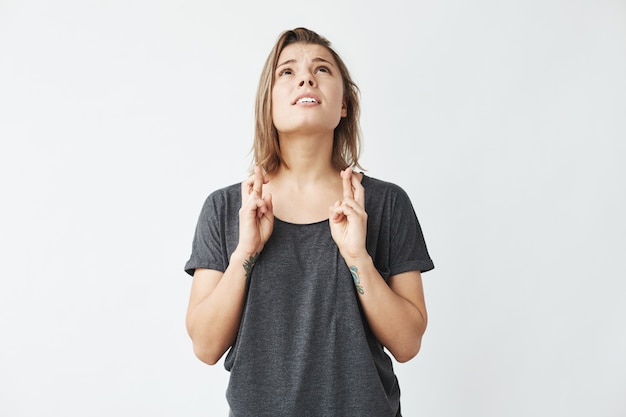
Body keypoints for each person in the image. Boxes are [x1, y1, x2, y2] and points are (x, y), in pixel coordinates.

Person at [184, 27, 434, 417]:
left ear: (344, 105)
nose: (306, 78)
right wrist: (245, 252)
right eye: (287, 72)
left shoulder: (385, 204)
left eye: (322, 69)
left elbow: (407, 343)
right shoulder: (225, 208)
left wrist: (357, 257)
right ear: (268, 104)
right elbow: (205, 346)